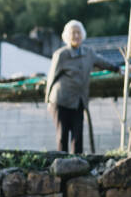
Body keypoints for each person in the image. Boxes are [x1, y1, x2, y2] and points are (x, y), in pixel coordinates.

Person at [44, 20, 118, 154]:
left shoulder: (89, 52)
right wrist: (48, 100)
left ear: (82, 35)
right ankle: (62, 165)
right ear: (67, 36)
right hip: (61, 100)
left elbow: (102, 62)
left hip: (79, 100)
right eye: (73, 33)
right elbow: (51, 78)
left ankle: (77, 165)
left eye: (78, 33)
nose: (76, 36)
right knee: (62, 135)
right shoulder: (61, 54)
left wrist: (117, 68)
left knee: (78, 135)